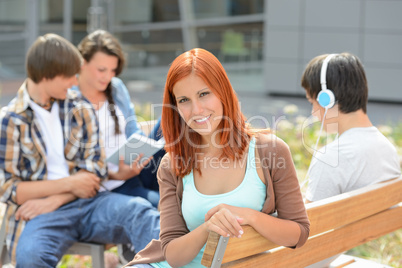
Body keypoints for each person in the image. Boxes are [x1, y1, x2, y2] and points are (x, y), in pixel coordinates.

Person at [125, 48, 310, 268]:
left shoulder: (270, 151)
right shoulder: (172, 164)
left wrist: (249, 216)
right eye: (184, 100)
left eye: (204, 94)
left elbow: (298, 234)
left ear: (222, 91)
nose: (197, 110)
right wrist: (207, 228)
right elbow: (172, 256)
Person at [0, 33, 160, 267]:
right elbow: (10, 190)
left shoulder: (80, 108)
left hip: (92, 202)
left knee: (142, 214)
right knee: (31, 256)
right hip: (41, 214)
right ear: (48, 74)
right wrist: (69, 185)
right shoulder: (10, 121)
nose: (75, 82)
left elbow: (95, 170)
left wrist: (55, 198)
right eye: (69, 76)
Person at [74, 29, 164, 208]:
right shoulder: (70, 99)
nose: (108, 76)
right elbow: (74, 164)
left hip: (136, 167)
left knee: (175, 115)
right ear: (82, 63)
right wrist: (117, 174)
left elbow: (133, 132)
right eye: (101, 70)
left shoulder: (116, 88)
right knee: (166, 208)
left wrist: (143, 152)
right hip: (113, 184)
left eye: (113, 70)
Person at [302, 52, 401, 203]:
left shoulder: (330, 158)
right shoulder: (387, 149)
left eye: (311, 102)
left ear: (327, 99)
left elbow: (308, 221)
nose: (312, 112)